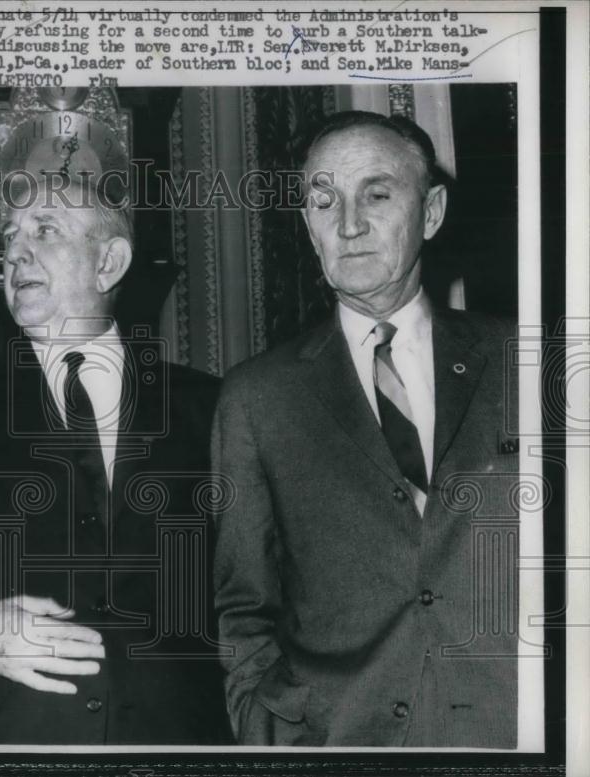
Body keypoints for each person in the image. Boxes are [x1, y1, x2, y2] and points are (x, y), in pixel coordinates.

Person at [213, 111, 518, 747]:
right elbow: (244, 607)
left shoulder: (523, 362)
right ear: (309, 226)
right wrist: (264, 730)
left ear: (430, 213)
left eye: (377, 195)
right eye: (325, 202)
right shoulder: (256, 398)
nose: (349, 224)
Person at [0, 173, 231, 744]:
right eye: (10, 236)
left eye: (45, 230)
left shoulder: (211, 408)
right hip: (9, 742)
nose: (14, 253)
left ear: (109, 262)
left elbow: (255, 590)